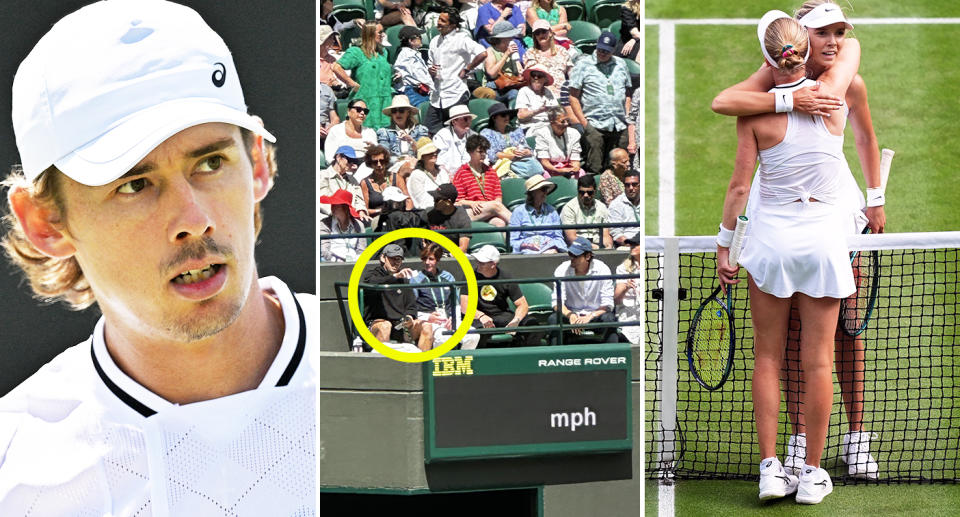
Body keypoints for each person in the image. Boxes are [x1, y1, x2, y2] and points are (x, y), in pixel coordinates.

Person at [0, 1, 314, 513]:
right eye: (134, 184)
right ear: (45, 222)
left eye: (211, 162)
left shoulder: (367, 380)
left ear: (257, 162)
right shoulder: (13, 469)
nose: (193, 218)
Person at [712, 1, 885, 481]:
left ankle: (855, 438)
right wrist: (790, 100)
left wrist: (875, 197)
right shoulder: (773, 80)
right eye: (823, 32)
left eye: (839, 32)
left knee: (846, 333)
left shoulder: (846, 77)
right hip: (781, 224)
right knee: (791, 343)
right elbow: (723, 101)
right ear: (802, 38)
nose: (834, 41)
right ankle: (798, 441)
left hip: (835, 219)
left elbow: (867, 139)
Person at [568, 32, 633, 174]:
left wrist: (627, 114)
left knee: (620, 168)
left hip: (619, 123)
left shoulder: (620, 64)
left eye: (606, 51)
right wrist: (585, 123)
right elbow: (573, 96)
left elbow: (628, 92)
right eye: (600, 49)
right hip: (595, 125)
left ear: (613, 50)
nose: (602, 53)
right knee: (595, 168)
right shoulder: (583, 65)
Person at [462, 245, 543, 347]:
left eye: (482, 263)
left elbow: (522, 304)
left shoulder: (505, 276)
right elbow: (465, 306)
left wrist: (516, 320)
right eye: (477, 261)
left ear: (493, 264)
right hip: (477, 317)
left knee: (532, 324)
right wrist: (481, 316)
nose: (478, 264)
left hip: (501, 315)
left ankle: (530, 358)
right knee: (478, 332)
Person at [425, 7, 489, 133]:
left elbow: (482, 53)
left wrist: (467, 69)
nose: (439, 23)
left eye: (443, 21)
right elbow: (430, 63)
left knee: (458, 131)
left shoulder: (461, 39)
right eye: (439, 19)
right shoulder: (434, 41)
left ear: (452, 25)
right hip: (437, 96)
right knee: (430, 130)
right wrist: (431, 70)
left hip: (456, 93)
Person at [548, 237, 621, 344]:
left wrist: (590, 317)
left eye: (576, 255)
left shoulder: (603, 269)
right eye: (570, 254)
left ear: (588, 256)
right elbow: (557, 303)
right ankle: (555, 357)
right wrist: (571, 315)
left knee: (609, 319)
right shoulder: (561, 269)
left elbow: (608, 304)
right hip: (571, 315)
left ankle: (613, 357)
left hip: (596, 315)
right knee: (553, 319)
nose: (572, 258)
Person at [361, 244, 431, 350]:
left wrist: (410, 318)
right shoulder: (372, 274)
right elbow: (374, 284)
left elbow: (411, 306)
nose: (396, 262)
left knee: (427, 327)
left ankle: (422, 364)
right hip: (377, 323)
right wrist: (394, 277)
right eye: (392, 259)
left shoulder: (404, 279)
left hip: (400, 324)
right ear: (383, 258)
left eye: (399, 260)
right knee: (385, 326)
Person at [333, 23, 393, 129]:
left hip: (384, 102)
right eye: (380, 32)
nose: (383, 35)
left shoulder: (383, 52)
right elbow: (336, 67)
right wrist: (351, 83)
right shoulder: (357, 52)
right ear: (370, 34)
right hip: (365, 102)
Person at [451, 135, 513, 226]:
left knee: (500, 224)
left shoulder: (491, 172)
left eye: (485, 152)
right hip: (470, 211)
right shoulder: (462, 173)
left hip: (491, 210)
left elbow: (498, 198)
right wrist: (472, 203)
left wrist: (491, 205)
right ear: (470, 152)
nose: (483, 154)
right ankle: (522, 226)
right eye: (480, 152)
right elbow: (457, 201)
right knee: (495, 206)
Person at [410, 243, 458, 351]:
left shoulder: (448, 277)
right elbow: (412, 308)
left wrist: (453, 318)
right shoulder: (416, 279)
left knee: (472, 336)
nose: (427, 262)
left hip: (449, 319)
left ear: (438, 260)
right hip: (429, 320)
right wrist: (428, 317)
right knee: (444, 338)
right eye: (424, 259)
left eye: (431, 259)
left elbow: (456, 303)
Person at [480, 102, 543, 178]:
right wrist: (512, 156)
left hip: (523, 163)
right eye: (503, 115)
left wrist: (526, 152)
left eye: (508, 115)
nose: (507, 117)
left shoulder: (516, 130)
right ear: (494, 118)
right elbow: (492, 155)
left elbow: (528, 149)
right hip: (502, 166)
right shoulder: (486, 133)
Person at [509, 176, 566, 254]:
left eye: (546, 190)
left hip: (550, 249)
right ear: (533, 192)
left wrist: (553, 245)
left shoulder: (552, 211)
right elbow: (513, 240)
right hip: (527, 252)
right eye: (543, 189)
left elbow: (559, 237)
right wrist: (525, 245)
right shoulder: (518, 212)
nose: (545, 193)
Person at [561, 174, 612, 249]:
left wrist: (608, 246)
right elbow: (571, 238)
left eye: (589, 192)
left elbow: (605, 235)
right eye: (582, 192)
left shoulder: (602, 207)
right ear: (578, 191)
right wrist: (592, 247)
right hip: (578, 247)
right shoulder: (569, 208)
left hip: (598, 244)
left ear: (595, 192)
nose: (585, 195)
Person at [318, 145, 369, 220]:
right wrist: (341, 213)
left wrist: (360, 210)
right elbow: (322, 200)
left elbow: (359, 199)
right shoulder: (323, 175)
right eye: (349, 160)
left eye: (354, 161)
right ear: (338, 157)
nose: (352, 164)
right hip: (327, 217)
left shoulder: (352, 180)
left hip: (350, 218)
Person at [522, 21, 572, 95]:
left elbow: (571, 73)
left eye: (544, 31)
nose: (541, 35)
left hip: (562, 93)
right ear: (534, 36)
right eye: (537, 33)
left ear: (551, 33)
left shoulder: (562, 51)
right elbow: (533, 78)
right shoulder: (530, 53)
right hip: (541, 94)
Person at [483, 21, 527, 104]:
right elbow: (492, 74)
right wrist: (506, 54)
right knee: (514, 93)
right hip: (497, 88)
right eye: (509, 36)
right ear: (501, 38)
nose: (512, 38)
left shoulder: (512, 50)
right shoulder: (490, 51)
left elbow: (519, 71)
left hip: (512, 84)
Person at [532, 108, 583, 178]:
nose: (566, 124)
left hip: (568, 167)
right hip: (549, 168)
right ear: (552, 122)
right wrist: (558, 170)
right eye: (562, 121)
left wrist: (575, 167)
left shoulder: (574, 133)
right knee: (545, 176)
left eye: (567, 120)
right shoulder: (542, 133)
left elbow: (575, 159)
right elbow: (544, 161)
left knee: (581, 173)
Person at [376, 187, 426, 257]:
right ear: (389, 203)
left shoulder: (400, 216)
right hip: (399, 255)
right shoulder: (393, 216)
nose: (401, 204)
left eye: (401, 202)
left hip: (402, 254)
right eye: (397, 202)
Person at [324, 98, 378, 163]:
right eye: (358, 109)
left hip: (365, 166)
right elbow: (329, 156)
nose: (362, 113)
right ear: (348, 111)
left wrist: (373, 150)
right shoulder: (336, 130)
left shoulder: (370, 132)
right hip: (342, 167)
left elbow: (377, 156)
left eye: (365, 111)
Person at [320, 190, 367, 262]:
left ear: (346, 208)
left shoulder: (359, 225)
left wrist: (354, 261)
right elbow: (324, 251)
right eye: (332, 204)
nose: (333, 207)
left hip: (354, 263)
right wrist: (338, 261)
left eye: (336, 205)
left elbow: (362, 250)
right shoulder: (325, 224)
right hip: (332, 263)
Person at [422, 184, 472, 252]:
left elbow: (463, 247)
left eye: (437, 199)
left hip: (450, 256)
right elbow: (421, 239)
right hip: (430, 254)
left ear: (448, 202)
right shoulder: (428, 213)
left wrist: (449, 257)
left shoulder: (462, 218)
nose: (434, 201)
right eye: (434, 198)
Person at [394, 26, 434, 107]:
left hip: (417, 91)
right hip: (414, 93)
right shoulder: (408, 55)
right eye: (419, 37)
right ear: (411, 41)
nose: (421, 39)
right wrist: (433, 88)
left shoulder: (411, 54)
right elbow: (419, 75)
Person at [434, 105, 479, 177]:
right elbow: (439, 163)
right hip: (450, 177)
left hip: (472, 176)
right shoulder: (443, 135)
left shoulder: (474, 136)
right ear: (454, 121)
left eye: (469, 118)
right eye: (465, 119)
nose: (468, 122)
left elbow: (483, 158)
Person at [516, 64, 561, 133]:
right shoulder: (524, 91)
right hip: (532, 127)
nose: (536, 78)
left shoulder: (548, 92)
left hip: (549, 125)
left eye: (539, 75)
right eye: (533, 75)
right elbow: (521, 116)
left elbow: (557, 113)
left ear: (545, 79)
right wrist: (538, 111)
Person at [360, 145, 402, 220]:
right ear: (370, 164)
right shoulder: (365, 183)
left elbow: (407, 201)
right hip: (376, 220)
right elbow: (365, 210)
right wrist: (380, 211)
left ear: (386, 162)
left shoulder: (397, 178)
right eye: (375, 162)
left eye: (382, 161)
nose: (379, 165)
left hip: (397, 218)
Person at [614, 238, 643, 344]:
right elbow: (616, 300)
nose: (632, 247)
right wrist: (625, 287)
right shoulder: (622, 268)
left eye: (636, 244)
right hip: (628, 317)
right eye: (631, 245)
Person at [408, 137, 450, 209]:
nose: (434, 154)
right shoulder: (417, 175)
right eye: (429, 152)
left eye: (435, 151)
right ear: (422, 156)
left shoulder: (442, 172)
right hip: (427, 212)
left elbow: (449, 193)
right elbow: (422, 201)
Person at [607, 169, 643, 247]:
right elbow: (616, 233)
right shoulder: (615, 205)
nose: (630, 188)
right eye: (627, 185)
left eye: (634, 184)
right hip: (627, 244)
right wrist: (630, 244)